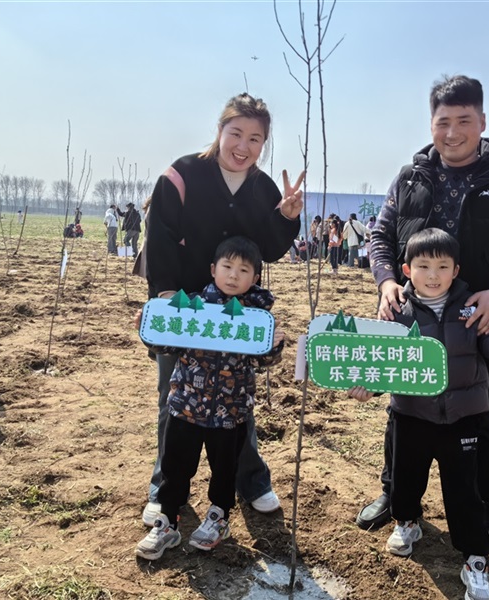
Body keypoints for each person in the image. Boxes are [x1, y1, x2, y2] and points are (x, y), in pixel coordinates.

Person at [365, 74, 489, 565]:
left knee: (479, 414)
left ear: (482, 122)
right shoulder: (410, 177)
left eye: (465, 121)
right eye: (444, 122)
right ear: (432, 123)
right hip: (412, 316)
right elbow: (380, 237)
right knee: (403, 413)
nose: (454, 131)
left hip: (475, 323)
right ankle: (397, 498)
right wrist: (385, 283)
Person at [348, 229, 489, 600]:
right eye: (423, 266)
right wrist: (366, 389)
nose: (432, 275)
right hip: (411, 414)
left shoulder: (471, 309)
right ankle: (407, 523)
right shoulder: (396, 314)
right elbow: (384, 365)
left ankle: (474, 560)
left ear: (456, 270)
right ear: (407, 269)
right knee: (405, 478)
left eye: (442, 266)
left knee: (464, 491)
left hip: (463, 419)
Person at [143, 92, 304, 528]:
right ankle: (164, 489)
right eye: (236, 133)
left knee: (237, 395)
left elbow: (268, 249)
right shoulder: (182, 175)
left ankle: (250, 481)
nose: (243, 146)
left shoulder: (264, 188)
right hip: (185, 308)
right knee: (174, 394)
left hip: (236, 312)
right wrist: (164, 292)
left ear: (264, 144)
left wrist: (287, 217)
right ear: (220, 130)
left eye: (255, 138)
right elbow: (158, 235)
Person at [137, 237, 285, 560]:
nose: (234, 275)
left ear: (255, 278)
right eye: (227, 267)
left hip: (230, 411)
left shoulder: (257, 318)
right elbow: (171, 346)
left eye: (243, 270)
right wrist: (151, 332)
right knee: (176, 465)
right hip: (186, 406)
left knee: (224, 469)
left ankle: (218, 516)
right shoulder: (193, 307)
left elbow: (265, 361)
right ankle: (167, 521)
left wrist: (274, 346)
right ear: (212, 270)